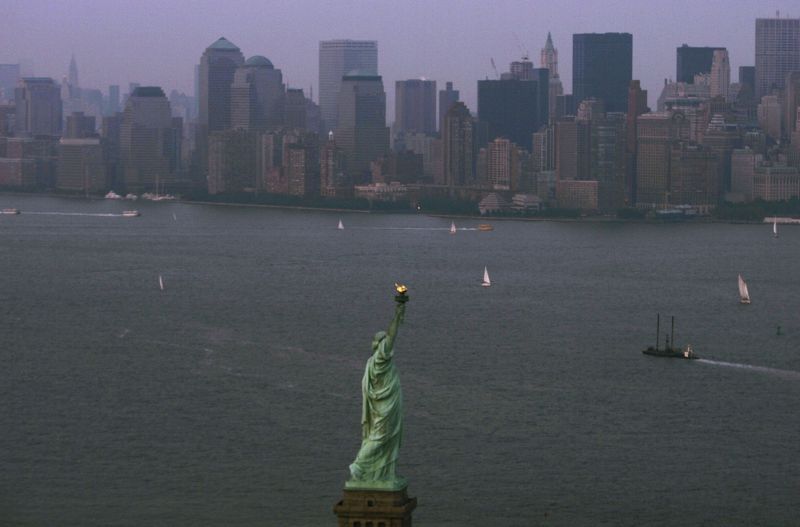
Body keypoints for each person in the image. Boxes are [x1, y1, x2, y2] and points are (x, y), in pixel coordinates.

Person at [348, 293, 407, 486]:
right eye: (384, 342)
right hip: (385, 407)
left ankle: (380, 473)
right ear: (381, 345)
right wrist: (398, 312)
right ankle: (359, 466)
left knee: (381, 438)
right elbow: (392, 334)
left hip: (381, 405)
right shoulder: (381, 358)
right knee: (380, 438)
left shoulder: (373, 362)